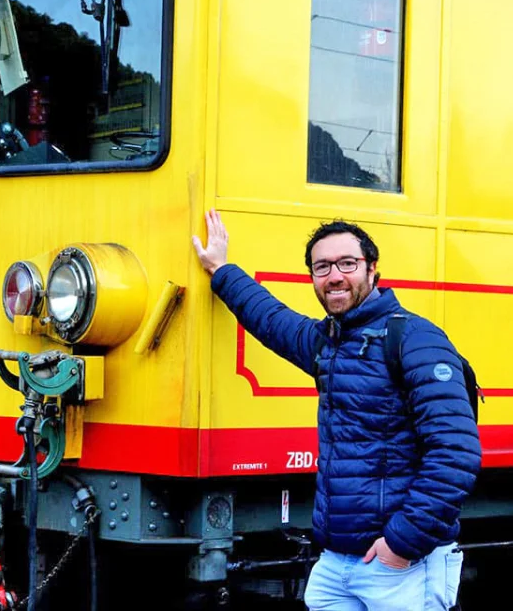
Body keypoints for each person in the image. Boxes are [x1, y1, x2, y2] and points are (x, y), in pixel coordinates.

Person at [192, 210, 482, 611]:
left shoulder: (415, 339)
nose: (334, 276)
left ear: (373, 269)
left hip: (400, 566)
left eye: (348, 264)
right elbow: (272, 320)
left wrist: (401, 543)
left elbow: (456, 453)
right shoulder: (329, 342)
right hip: (336, 564)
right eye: (322, 267)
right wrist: (221, 269)